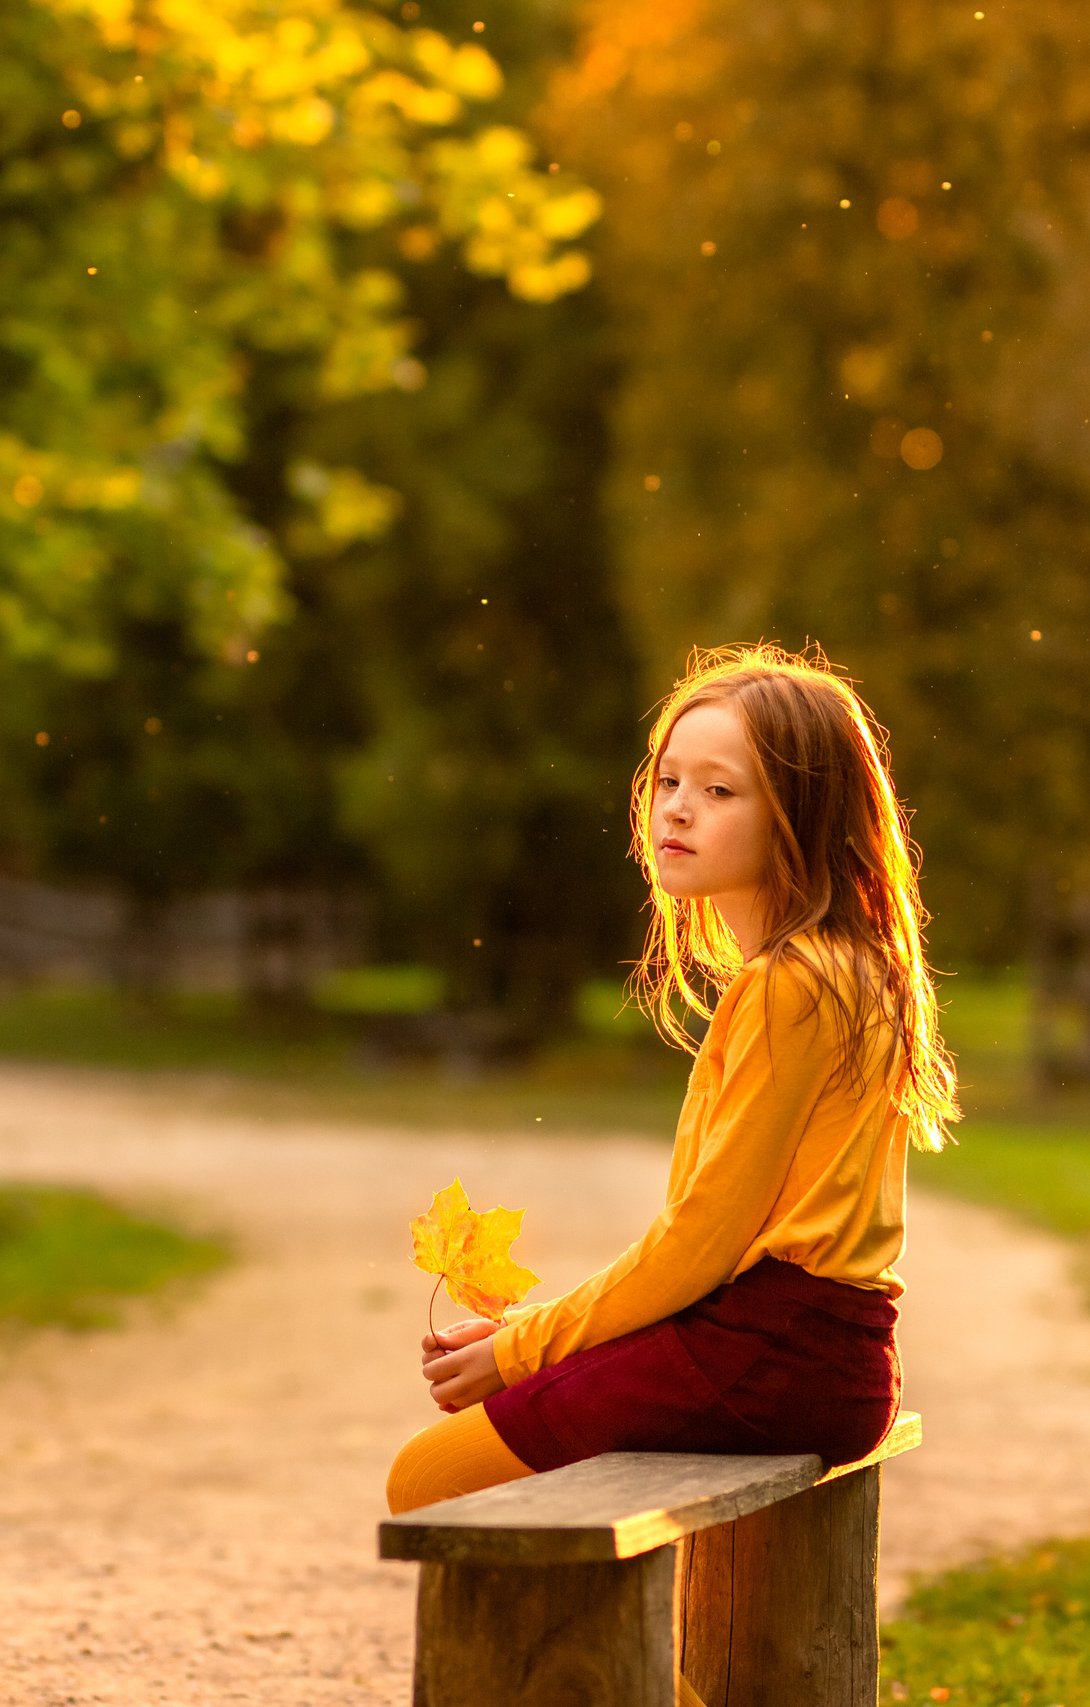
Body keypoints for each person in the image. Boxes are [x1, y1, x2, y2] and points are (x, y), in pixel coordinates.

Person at [385, 644, 959, 1704]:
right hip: (796, 1346)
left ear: (803, 814)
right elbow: (720, 1247)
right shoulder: (845, 968)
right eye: (667, 781)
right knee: (471, 1473)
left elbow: (700, 1243)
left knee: (426, 1478)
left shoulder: (794, 985)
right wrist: (549, 1329)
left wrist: (522, 1349)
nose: (677, 810)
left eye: (720, 789)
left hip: (775, 1352)